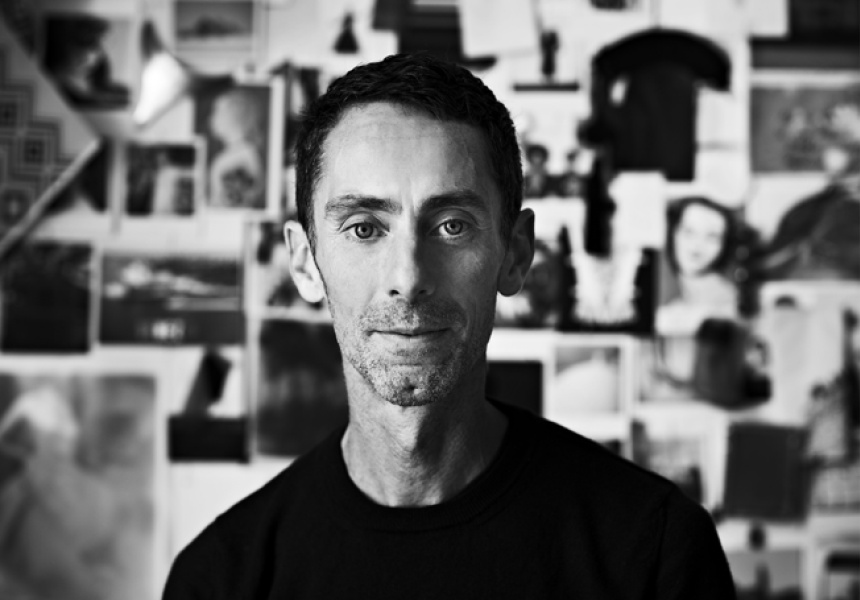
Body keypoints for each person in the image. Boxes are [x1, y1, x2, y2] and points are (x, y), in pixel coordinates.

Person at [163, 53, 735, 599]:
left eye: (452, 225)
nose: (408, 278)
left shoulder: (655, 555)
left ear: (515, 254)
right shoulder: (219, 581)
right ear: (305, 263)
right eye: (364, 228)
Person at [657, 196, 739, 334]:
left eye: (711, 237)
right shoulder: (670, 291)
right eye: (689, 232)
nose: (698, 245)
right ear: (673, 233)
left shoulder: (726, 300)